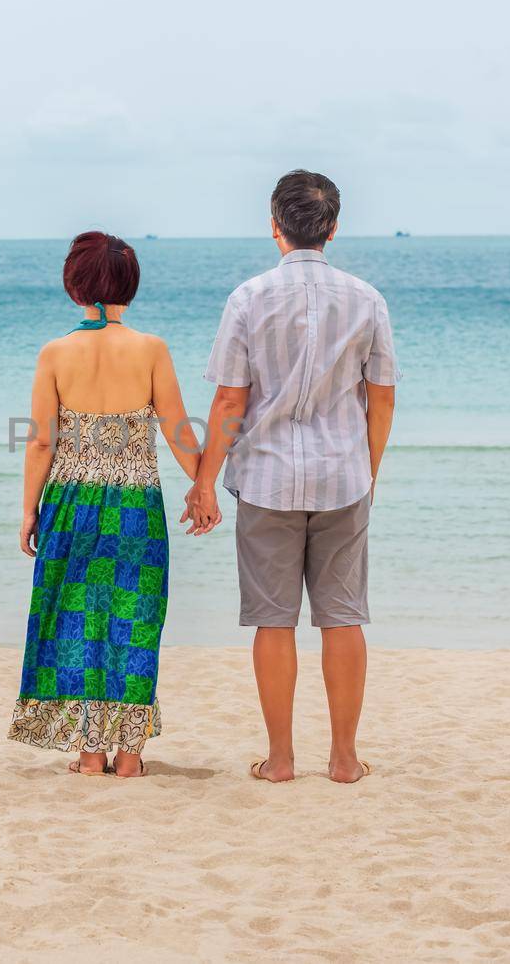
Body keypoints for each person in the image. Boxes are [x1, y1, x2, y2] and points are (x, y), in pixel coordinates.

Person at [182, 170, 399, 784]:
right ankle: (345, 758)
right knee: (343, 616)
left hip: (266, 480)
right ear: (332, 228)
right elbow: (381, 400)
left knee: (273, 620)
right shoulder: (367, 298)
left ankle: (280, 760)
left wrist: (203, 481)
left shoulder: (249, 298)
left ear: (275, 227)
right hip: (343, 477)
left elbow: (229, 401)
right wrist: (369, 469)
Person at [8, 231, 202, 777]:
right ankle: (131, 756)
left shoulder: (55, 353)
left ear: (75, 286)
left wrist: (29, 511)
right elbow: (179, 431)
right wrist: (203, 486)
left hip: (71, 505)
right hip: (136, 506)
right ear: (129, 286)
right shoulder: (151, 350)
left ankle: (89, 754)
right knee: (135, 621)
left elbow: (42, 441)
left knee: (78, 621)